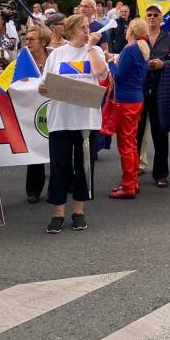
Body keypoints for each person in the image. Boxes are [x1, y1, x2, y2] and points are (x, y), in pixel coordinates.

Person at [39, 14, 108, 233]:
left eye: (88, 27)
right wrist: (43, 88)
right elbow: (44, 83)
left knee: (84, 166)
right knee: (60, 166)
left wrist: (90, 47)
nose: (86, 30)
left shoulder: (95, 52)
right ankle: (57, 213)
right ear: (70, 31)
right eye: (82, 27)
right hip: (61, 118)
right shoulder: (57, 54)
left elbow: (99, 73)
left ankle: (79, 211)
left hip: (86, 119)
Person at [136, 4, 170, 187]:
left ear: (161, 18)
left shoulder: (168, 37)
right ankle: (132, 170)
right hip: (140, 88)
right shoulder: (139, 37)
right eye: (149, 15)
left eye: (155, 15)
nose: (152, 17)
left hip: (160, 88)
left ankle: (161, 173)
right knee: (136, 133)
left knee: (160, 131)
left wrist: (163, 64)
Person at [107, 18, 149, 199]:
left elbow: (120, 76)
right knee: (131, 144)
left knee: (125, 144)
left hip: (125, 101)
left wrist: (110, 62)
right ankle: (132, 181)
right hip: (136, 98)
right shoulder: (142, 49)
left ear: (131, 30)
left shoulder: (130, 50)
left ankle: (128, 185)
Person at [23, 25, 52, 204]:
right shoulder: (23, 58)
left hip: (53, 109)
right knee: (34, 151)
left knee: (57, 151)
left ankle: (57, 187)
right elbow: (9, 80)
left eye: (32, 39)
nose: (28, 42)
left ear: (42, 41)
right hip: (31, 112)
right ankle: (33, 190)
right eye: (26, 39)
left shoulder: (53, 56)